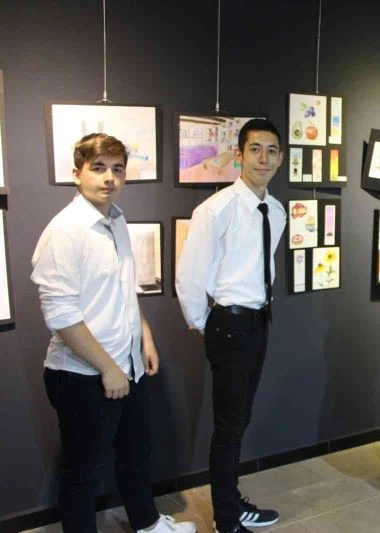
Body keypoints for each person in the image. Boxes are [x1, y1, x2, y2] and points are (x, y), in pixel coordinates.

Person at [30, 133, 196, 533]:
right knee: (83, 473)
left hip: (126, 364)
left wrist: (145, 337)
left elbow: (124, 291)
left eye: (117, 169)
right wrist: (107, 368)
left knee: (136, 451)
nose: (109, 178)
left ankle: (147, 524)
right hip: (82, 375)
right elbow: (61, 315)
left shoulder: (116, 220)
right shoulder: (65, 231)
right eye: (99, 168)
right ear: (77, 173)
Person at [176, 118, 286, 533]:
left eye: (271, 151)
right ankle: (226, 519)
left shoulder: (276, 211)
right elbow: (189, 274)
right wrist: (206, 324)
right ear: (239, 155)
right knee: (227, 427)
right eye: (255, 149)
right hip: (229, 324)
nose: (263, 158)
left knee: (239, 421)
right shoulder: (215, 209)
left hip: (258, 321)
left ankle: (230, 499)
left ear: (280, 158)